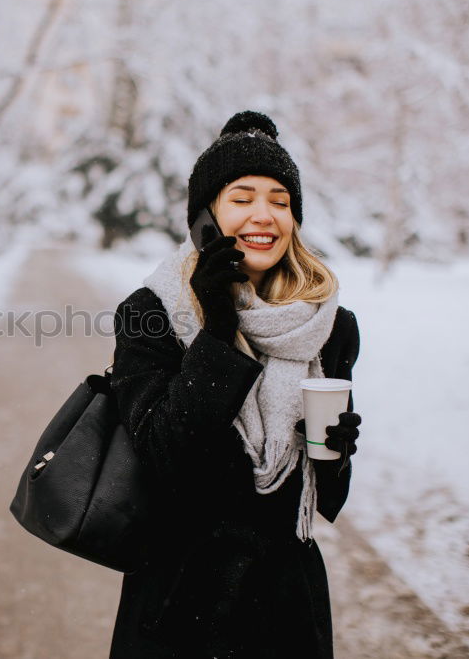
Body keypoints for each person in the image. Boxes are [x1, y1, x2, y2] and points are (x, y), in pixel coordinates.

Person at [109, 111, 362, 658]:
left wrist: (336, 454)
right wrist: (217, 333)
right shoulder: (151, 315)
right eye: (242, 198)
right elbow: (163, 457)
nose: (264, 216)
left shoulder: (328, 326)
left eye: (279, 200)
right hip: (180, 606)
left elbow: (325, 499)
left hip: (286, 610)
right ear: (206, 219)